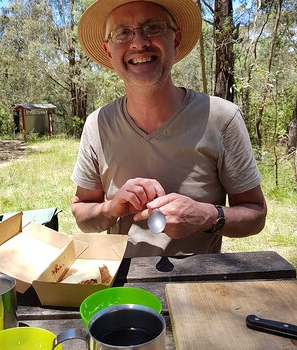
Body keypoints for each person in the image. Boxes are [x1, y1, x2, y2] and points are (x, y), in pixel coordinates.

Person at [70, 0, 267, 257]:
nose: (138, 42)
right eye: (123, 32)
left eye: (153, 27)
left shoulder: (221, 118)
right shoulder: (98, 125)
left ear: (176, 40)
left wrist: (207, 215)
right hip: (121, 284)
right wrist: (111, 208)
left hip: (197, 285)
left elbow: (256, 214)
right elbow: (82, 215)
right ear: (108, 50)